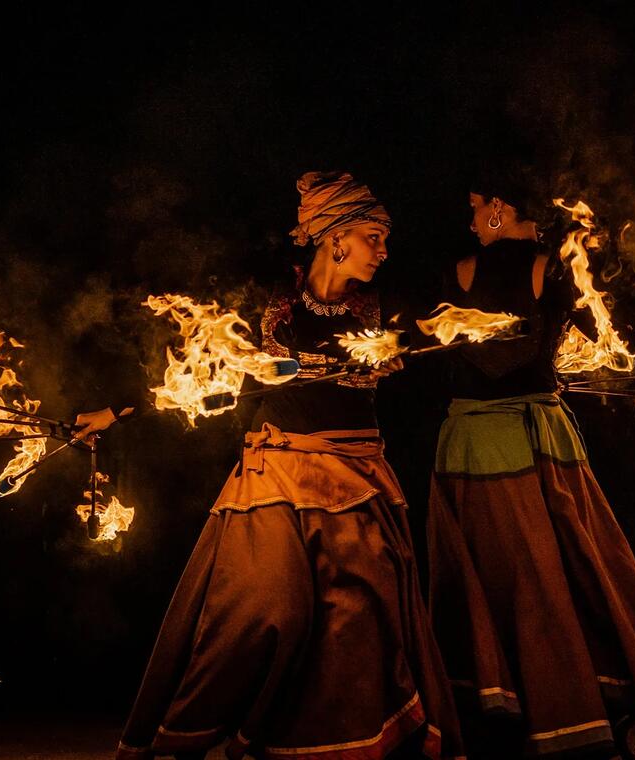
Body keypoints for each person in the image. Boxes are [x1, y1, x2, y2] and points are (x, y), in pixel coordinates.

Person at [86, 172, 464, 760]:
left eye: (385, 239)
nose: (384, 251)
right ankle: (185, 739)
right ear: (336, 238)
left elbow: (445, 337)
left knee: (357, 621)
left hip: (357, 481)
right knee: (262, 608)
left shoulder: (387, 309)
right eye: (373, 237)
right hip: (276, 478)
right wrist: (113, 410)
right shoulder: (267, 306)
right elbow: (195, 372)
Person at [425, 172, 635, 759]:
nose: (472, 219)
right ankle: (602, 707)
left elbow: (616, 338)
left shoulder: (496, 270)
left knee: (534, 577)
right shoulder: (547, 268)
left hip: (493, 440)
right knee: (571, 569)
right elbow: (622, 339)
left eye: (476, 206)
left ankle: (582, 710)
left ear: (500, 208)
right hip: (516, 439)